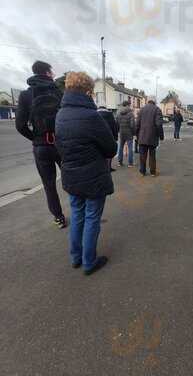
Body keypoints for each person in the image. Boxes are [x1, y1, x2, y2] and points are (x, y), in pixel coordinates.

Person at [55, 72, 117, 275]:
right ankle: (89, 262)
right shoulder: (92, 116)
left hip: (71, 175)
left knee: (77, 215)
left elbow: (60, 146)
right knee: (92, 217)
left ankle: (75, 257)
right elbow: (110, 149)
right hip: (93, 177)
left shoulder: (60, 114)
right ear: (88, 92)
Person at [15, 60, 66, 228]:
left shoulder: (25, 95)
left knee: (49, 185)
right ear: (47, 73)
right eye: (52, 72)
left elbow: (20, 126)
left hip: (41, 146)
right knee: (71, 177)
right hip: (60, 143)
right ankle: (78, 210)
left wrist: (36, 138)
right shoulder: (58, 92)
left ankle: (58, 217)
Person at [136, 99, 164, 177]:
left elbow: (137, 124)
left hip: (142, 136)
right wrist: (161, 136)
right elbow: (159, 125)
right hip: (152, 137)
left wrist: (137, 135)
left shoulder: (142, 109)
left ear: (148, 101)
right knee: (152, 155)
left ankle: (142, 171)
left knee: (142, 155)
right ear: (155, 102)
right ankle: (152, 172)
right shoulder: (157, 109)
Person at [97, 106, 118, 172]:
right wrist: (115, 137)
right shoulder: (110, 115)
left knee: (99, 153)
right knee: (109, 152)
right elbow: (115, 127)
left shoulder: (95, 115)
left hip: (98, 137)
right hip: (109, 136)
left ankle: (101, 168)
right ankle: (109, 167)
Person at [116, 101, 135, 167]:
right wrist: (133, 133)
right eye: (129, 105)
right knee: (130, 148)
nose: (130, 106)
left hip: (121, 132)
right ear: (127, 105)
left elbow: (117, 124)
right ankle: (130, 163)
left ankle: (119, 162)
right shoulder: (131, 113)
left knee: (120, 148)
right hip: (129, 133)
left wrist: (119, 131)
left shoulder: (118, 113)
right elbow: (132, 125)